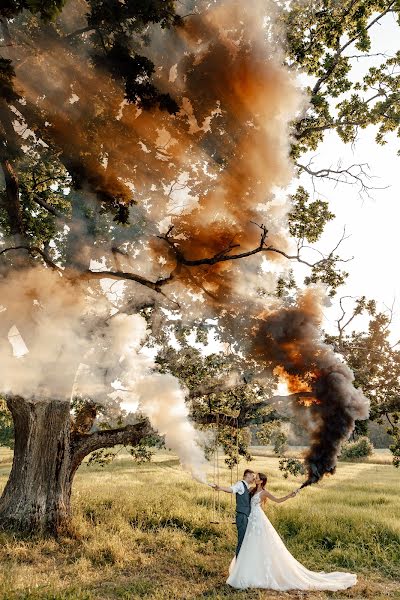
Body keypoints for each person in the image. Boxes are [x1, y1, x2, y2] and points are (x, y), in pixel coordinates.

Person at [221, 472, 357, 591]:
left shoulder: (264, 492)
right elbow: (243, 498)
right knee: (249, 545)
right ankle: (247, 571)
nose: (255, 479)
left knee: (262, 544)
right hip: (251, 519)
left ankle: (261, 573)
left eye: (257, 478)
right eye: (254, 477)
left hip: (259, 519)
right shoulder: (251, 489)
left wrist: (289, 495)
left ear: (261, 481)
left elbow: (278, 500)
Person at [212, 469, 255, 556]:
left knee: (245, 540)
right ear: (248, 476)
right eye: (253, 476)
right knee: (242, 541)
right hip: (242, 516)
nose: (253, 478)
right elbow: (231, 489)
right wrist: (220, 488)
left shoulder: (246, 487)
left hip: (245, 516)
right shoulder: (240, 484)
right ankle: (238, 563)